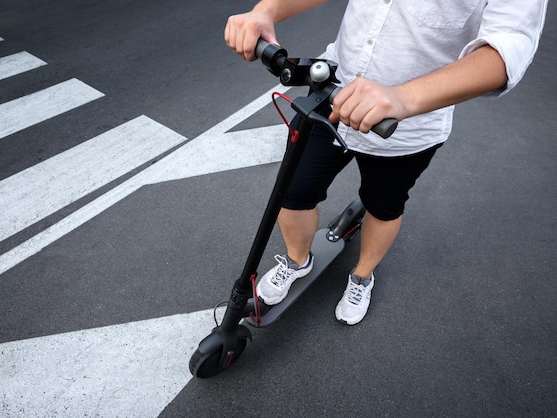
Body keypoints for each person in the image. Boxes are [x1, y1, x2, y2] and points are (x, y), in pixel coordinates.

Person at [225, 0, 547, 325]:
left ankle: (362, 276)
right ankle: (297, 261)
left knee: (384, 206)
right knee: (292, 191)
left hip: (405, 124)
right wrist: (267, 10)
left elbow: (507, 48)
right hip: (332, 88)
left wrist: (403, 98)